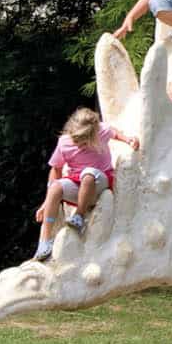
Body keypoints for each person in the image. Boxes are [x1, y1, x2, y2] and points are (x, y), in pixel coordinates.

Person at [32, 107, 139, 261]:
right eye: (77, 139)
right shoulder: (64, 142)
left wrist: (128, 139)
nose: (79, 144)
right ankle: (45, 240)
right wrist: (46, 201)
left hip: (99, 182)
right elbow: (56, 169)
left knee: (88, 174)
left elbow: (114, 132)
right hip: (78, 183)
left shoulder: (102, 131)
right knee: (56, 188)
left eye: (83, 140)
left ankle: (79, 216)